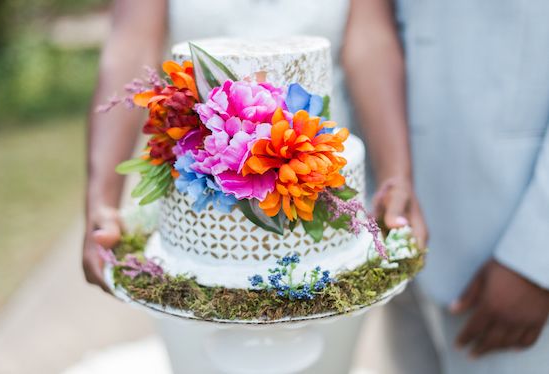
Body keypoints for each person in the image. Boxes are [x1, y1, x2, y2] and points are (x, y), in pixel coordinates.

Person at [84, 0, 549, 372]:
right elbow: (131, 43)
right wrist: (100, 197)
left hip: (321, 215)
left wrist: (396, 174)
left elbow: (370, 41)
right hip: (200, 220)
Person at [342, 0, 549, 373]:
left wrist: (537, 259)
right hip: (395, 230)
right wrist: (396, 176)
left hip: (509, 242)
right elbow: (373, 21)